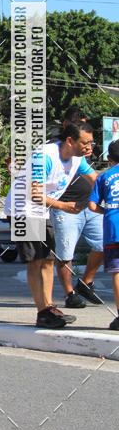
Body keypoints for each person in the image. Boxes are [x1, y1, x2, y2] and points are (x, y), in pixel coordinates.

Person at [11, 122, 96, 328]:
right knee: (36, 261)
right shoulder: (45, 156)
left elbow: (94, 178)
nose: (89, 147)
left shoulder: (77, 159)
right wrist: (64, 206)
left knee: (48, 260)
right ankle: (42, 313)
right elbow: (35, 193)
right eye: (85, 142)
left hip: (42, 210)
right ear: (70, 141)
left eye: (91, 142)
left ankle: (49, 307)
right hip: (23, 209)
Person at [49, 109, 104, 309]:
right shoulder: (55, 146)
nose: (82, 128)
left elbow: (94, 176)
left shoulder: (84, 150)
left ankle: (85, 282)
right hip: (66, 206)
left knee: (104, 243)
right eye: (76, 123)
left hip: (89, 203)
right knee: (65, 253)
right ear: (66, 127)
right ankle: (69, 294)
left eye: (83, 123)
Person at [88, 140, 119, 330]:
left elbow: (92, 205)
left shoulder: (104, 177)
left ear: (108, 159)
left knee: (117, 272)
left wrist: (106, 211)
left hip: (113, 229)